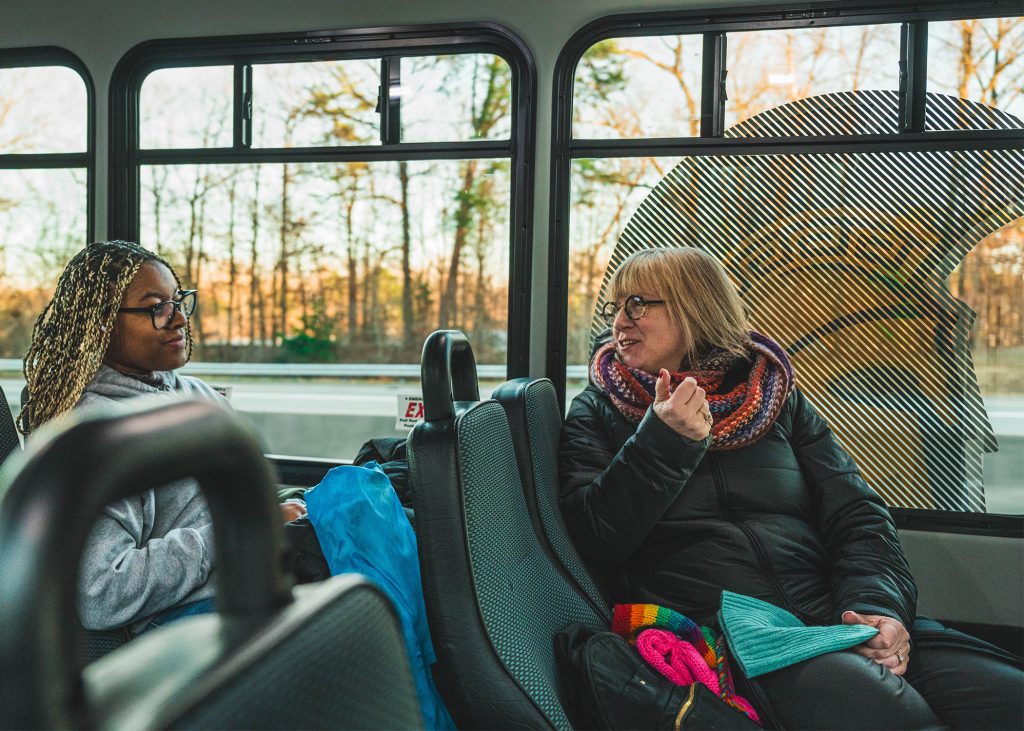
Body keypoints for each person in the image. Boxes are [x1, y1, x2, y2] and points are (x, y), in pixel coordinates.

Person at [559, 247, 1023, 729]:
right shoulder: (598, 410)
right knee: (894, 717)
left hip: (831, 614)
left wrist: (875, 608)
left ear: (693, 306)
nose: (620, 321)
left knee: (1009, 699)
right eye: (615, 307)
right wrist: (663, 441)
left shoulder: (773, 399)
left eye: (637, 303)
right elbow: (594, 538)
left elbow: (858, 516)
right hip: (735, 632)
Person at [19, 240, 306, 635]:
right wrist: (234, 532)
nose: (179, 320)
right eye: (156, 308)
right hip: (191, 616)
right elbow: (101, 592)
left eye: (178, 301)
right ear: (103, 323)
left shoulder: (197, 397)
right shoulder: (99, 432)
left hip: (254, 577)